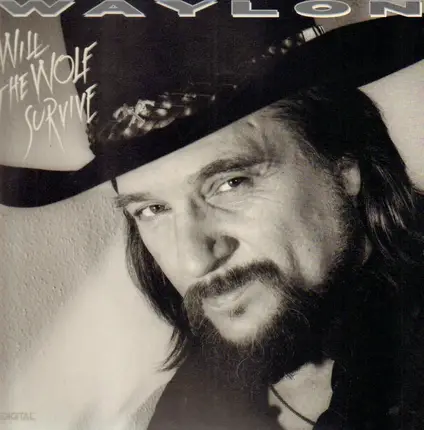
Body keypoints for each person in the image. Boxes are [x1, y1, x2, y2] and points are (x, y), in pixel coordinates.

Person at [1, 11, 424, 430]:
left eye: (230, 183)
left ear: (344, 164)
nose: (193, 260)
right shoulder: (188, 407)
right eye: (152, 209)